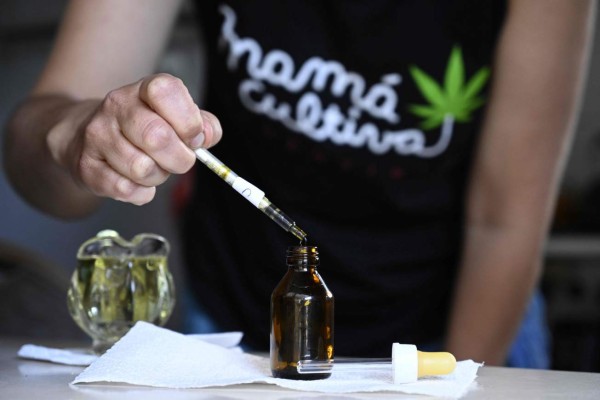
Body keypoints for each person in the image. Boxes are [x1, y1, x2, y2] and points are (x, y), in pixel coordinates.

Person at [3, 0, 595, 367]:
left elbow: (504, 223)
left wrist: (450, 378)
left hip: (461, 329)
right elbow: (38, 168)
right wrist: (79, 134)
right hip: (238, 330)